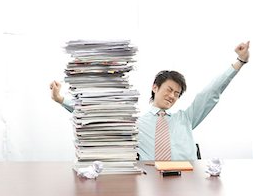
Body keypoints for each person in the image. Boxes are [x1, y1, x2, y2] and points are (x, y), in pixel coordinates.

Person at [50, 41, 250, 160]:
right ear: (155, 87)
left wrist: (239, 62)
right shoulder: (136, 123)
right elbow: (99, 113)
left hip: (188, 180)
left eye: (177, 94)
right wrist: (61, 99)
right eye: (170, 90)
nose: (172, 96)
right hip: (151, 182)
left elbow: (210, 93)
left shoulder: (186, 118)